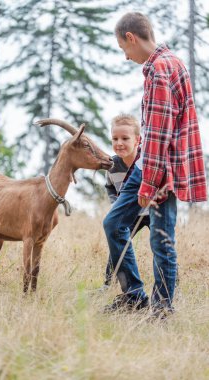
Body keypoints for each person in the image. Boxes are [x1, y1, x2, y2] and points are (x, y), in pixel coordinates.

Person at [103, 12, 207, 317]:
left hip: (160, 170)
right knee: (114, 223)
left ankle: (162, 310)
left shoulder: (161, 69)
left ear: (131, 38)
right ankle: (135, 295)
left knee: (161, 240)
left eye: (124, 49)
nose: (126, 56)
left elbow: (160, 134)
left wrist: (149, 185)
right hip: (147, 163)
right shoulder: (170, 62)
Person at [100, 113, 150, 292]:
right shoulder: (112, 165)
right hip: (128, 214)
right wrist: (116, 203)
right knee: (117, 243)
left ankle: (173, 285)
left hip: (150, 212)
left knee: (162, 247)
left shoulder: (146, 161)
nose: (119, 143)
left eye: (125, 138)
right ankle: (108, 284)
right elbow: (109, 187)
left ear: (138, 140)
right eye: (115, 138)